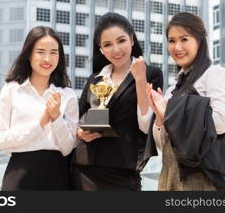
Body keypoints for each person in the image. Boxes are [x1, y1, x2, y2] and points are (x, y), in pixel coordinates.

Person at [70, 12, 163, 191]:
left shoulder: (151, 73)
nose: (116, 49)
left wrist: (140, 79)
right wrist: (80, 133)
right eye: (107, 45)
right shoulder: (95, 79)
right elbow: (77, 120)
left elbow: (146, 125)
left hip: (123, 172)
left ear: (132, 40)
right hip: (84, 170)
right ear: (101, 49)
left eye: (121, 41)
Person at [146, 12, 225, 191]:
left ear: (200, 41)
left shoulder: (215, 75)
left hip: (202, 178)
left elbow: (219, 123)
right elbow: (163, 145)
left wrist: (171, 111)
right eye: (171, 41)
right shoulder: (172, 90)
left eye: (184, 39)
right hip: (169, 176)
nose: (177, 47)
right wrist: (159, 116)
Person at [0, 26, 79, 190]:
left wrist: (56, 118)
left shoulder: (68, 95)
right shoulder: (11, 90)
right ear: (29, 54)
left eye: (53, 52)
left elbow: (68, 148)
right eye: (40, 52)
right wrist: (40, 123)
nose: (47, 59)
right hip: (19, 174)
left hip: (57, 175)